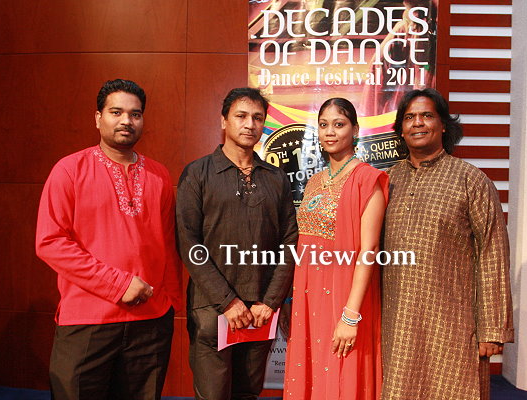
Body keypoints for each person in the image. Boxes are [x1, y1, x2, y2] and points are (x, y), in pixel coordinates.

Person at [35, 79, 182, 400]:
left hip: (151, 322)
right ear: (98, 117)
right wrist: (118, 284)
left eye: (135, 114)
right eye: (116, 112)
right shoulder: (69, 170)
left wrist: (170, 303)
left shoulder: (159, 175)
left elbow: (168, 245)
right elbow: (50, 242)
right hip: (87, 320)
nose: (126, 120)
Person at [381, 88, 514, 400]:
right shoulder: (387, 181)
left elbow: (493, 254)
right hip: (397, 323)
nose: (418, 123)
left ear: (443, 125)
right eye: (409, 117)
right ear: (401, 129)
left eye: (427, 115)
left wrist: (492, 329)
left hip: (454, 324)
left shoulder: (471, 180)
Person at [176, 87, 298, 400]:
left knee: (248, 394)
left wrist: (270, 302)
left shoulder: (276, 178)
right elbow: (189, 242)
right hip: (211, 309)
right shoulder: (198, 173)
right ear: (224, 121)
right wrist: (228, 302)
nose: (249, 124)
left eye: (257, 118)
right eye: (241, 116)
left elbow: (289, 244)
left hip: (260, 311)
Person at [283, 98, 389, 400]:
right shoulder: (314, 182)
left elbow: (369, 249)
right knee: (312, 372)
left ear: (355, 130)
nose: (330, 132)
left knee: (341, 376)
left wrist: (351, 315)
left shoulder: (368, 180)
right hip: (308, 296)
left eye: (339, 124)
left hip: (345, 298)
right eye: (324, 125)